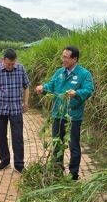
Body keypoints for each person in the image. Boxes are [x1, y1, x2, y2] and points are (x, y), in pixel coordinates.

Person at [35, 45, 94, 180]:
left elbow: (89, 90)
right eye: (63, 56)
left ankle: (73, 175)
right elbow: (51, 85)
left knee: (73, 146)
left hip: (73, 117)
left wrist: (77, 93)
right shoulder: (59, 72)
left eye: (66, 57)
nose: (63, 59)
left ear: (74, 59)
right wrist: (42, 88)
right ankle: (57, 171)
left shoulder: (84, 74)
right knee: (57, 144)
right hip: (57, 115)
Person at [0, 48, 30, 174]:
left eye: (12, 63)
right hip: (0, 109)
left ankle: (19, 164)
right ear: (2, 60)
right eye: (8, 64)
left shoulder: (20, 69)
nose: (10, 66)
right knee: (1, 136)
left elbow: (26, 87)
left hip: (16, 109)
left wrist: (26, 103)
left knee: (18, 137)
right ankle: (5, 160)